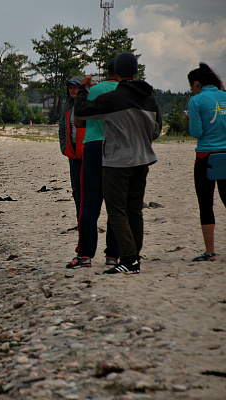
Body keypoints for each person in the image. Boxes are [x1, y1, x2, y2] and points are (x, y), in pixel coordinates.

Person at [74, 52, 162, 274]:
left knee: (117, 211)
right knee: (135, 211)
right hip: (142, 159)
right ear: (135, 71)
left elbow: (82, 112)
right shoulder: (149, 97)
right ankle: (133, 258)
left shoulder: (114, 97)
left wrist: (83, 88)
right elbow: (156, 130)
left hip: (118, 162)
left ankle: (129, 260)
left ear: (115, 72)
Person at [67, 61, 120, 269]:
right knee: (115, 204)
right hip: (117, 147)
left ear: (106, 72)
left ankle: (85, 254)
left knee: (89, 204)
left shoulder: (94, 90)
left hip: (93, 146)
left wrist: (84, 87)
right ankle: (113, 255)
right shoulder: (125, 92)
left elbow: (79, 121)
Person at [186, 63, 226, 262]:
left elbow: (197, 132)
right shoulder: (224, 96)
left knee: (206, 204)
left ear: (196, 83)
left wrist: (190, 121)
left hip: (205, 156)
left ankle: (210, 251)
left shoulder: (196, 101)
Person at [58, 76, 85, 222]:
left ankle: (86, 221)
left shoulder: (87, 105)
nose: (72, 90)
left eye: (75, 87)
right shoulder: (67, 108)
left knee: (87, 188)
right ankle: (80, 220)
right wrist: (64, 147)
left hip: (86, 152)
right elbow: (62, 128)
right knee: (76, 189)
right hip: (72, 152)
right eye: (70, 88)